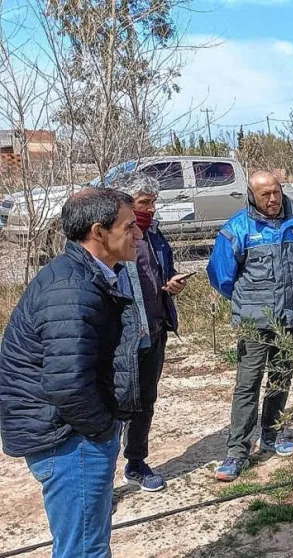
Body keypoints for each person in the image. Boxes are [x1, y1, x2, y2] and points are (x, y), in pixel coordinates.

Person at [0, 187, 143, 557]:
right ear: (99, 232)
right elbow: (66, 384)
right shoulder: (72, 289)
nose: (138, 234)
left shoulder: (88, 275)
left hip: (71, 431)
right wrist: (101, 430)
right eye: (130, 226)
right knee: (84, 549)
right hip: (69, 437)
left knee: (86, 542)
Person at [207, 170, 293, 481]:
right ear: (251, 196)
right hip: (255, 323)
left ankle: (271, 435)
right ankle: (237, 452)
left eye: (276, 191)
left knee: (281, 378)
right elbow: (220, 275)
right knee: (248, 384)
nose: (272, 199)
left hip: (291, 317)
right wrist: (252, 301)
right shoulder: (237, 229)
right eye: (264, 194)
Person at [113, 173, 188, 492]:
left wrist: (171, 284)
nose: (152, 209)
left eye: (154, 202)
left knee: (145, 399)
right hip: (121, 338)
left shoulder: (155, 234)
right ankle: (101, 481)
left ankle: (136, 463)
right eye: (145, 203)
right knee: (113, 406)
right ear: (126, 204)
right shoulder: (111, 238)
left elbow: (161, 272)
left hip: (154, 329)